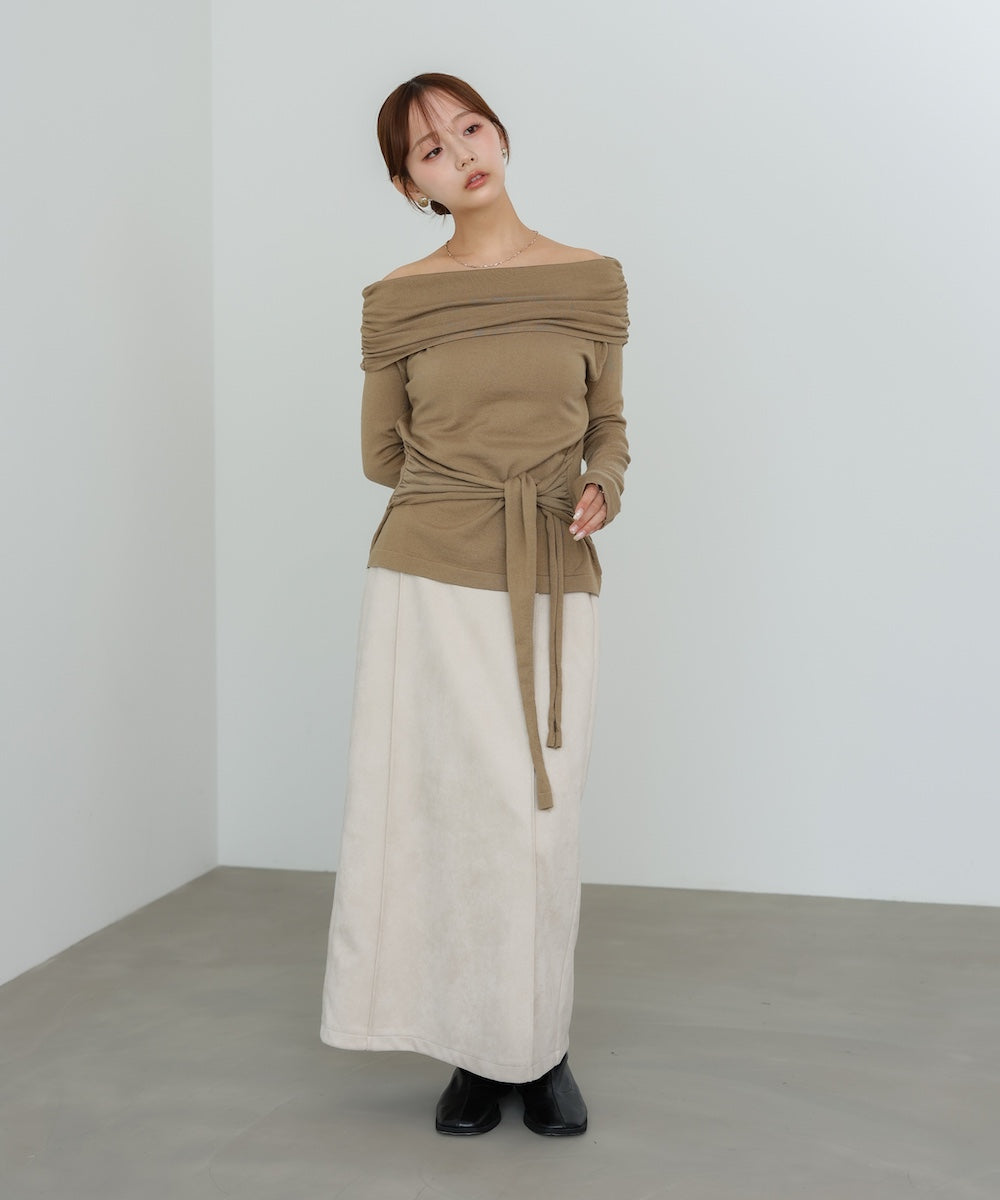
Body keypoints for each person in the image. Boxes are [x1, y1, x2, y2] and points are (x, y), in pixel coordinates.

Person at [319, 72, 629, 1138]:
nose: (460, 153)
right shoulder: (398, 298)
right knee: (449, 813)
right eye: (430, 150)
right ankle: (470, 1052)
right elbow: (380, 454)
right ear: (411, 188)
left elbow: (608, 423)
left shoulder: (591, 278)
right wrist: (478, 483)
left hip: (551, 566)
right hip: (428, 577)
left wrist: (601, 483)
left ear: (499, 134)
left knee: (539, 821)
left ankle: (538, 1048)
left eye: (469, 127)